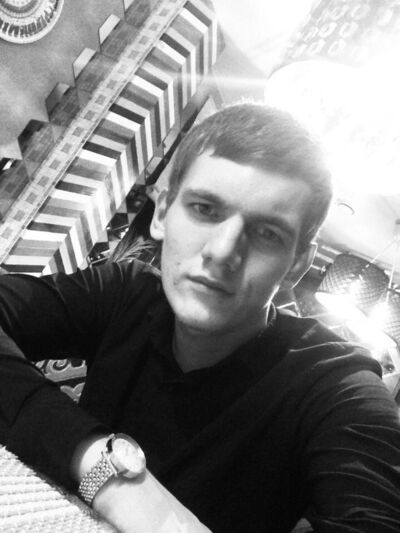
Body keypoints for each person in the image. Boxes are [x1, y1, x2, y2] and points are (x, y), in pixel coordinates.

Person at [0, 103, 399, 533]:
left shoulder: (336, 384)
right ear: (162, 212)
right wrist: (102, 465)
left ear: (297, 265)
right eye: (205, 209)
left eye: (267, 234)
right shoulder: (125, 292)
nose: (223, 251)